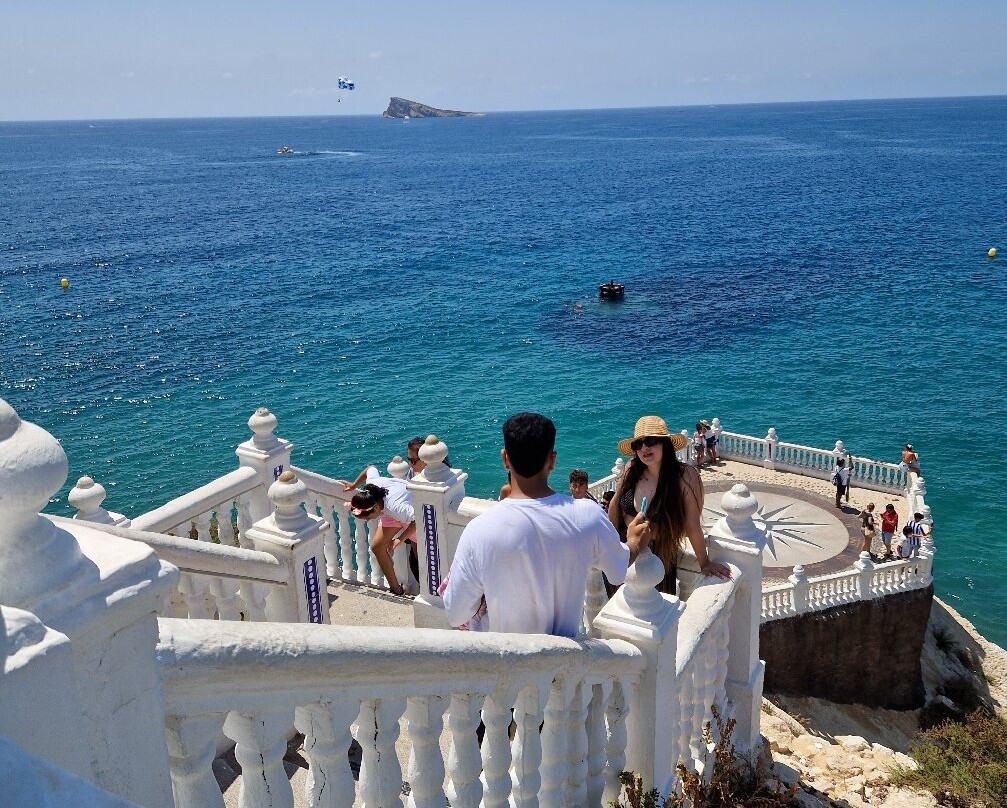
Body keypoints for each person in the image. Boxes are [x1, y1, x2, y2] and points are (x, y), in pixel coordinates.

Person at [442, 412, 651, 637]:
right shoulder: (588, 516)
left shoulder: (479, 530)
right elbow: (618, 570)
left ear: (505, 459)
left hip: (505, 656)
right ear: (552, 460)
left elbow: (456, 614)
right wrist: (634, 542)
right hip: (564, 656)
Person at [609, 415, 732, 595]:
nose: (644, 448)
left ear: (665, 444)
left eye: (650, 441)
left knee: (657, 608)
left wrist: (704, 562)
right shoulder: (631, 468)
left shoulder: (685, 476)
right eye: (638, 444)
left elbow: (692, 524)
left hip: (660, 556)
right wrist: (608, 545)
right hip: (623, 550)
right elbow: (615, 505)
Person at [339, 467, 416, 597]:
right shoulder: (372, 486)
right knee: (377, 547)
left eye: (368, 517)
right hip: (388, 511)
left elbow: (418, 520)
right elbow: (370, 468)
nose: (368, 521)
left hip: (410, 514)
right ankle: (396, 589)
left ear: (375, 508)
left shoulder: (397, 507)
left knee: (420, 553)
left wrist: (399, 539)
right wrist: (354, 485)